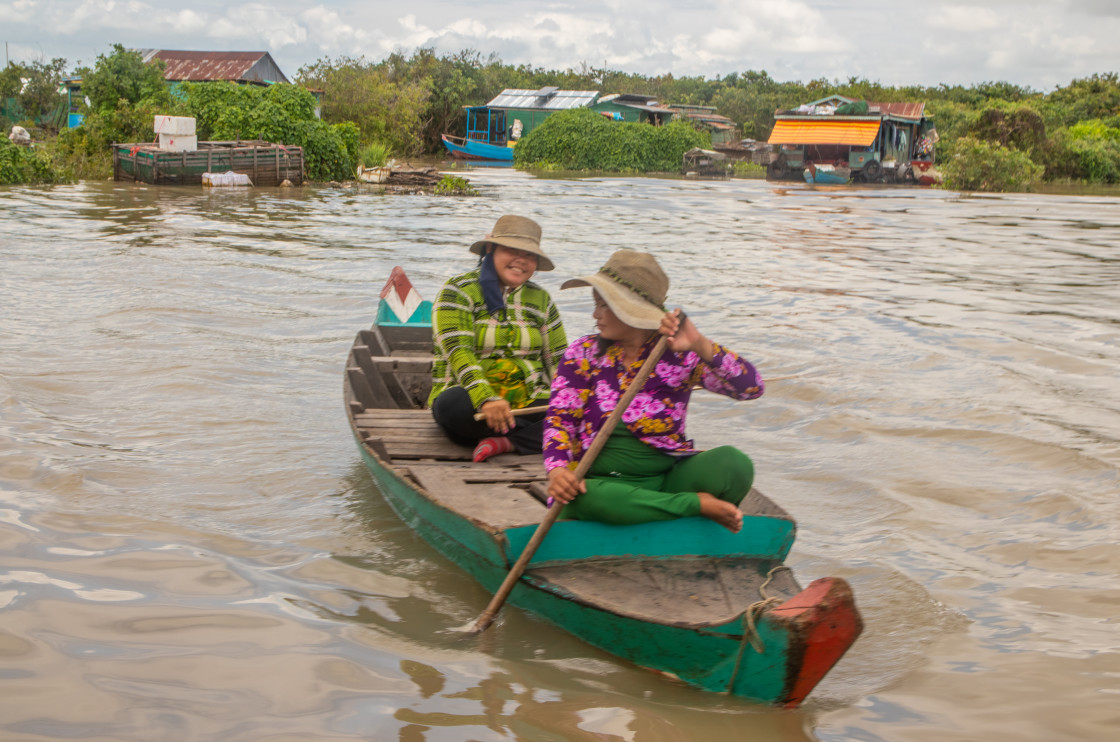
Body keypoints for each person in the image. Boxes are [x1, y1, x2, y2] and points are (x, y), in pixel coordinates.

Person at [542, 250, 763, 533]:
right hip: (597, 482)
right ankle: (693, 507)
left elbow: (751, 388)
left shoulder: (677, 353)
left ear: (629, 309)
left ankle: (654, 509)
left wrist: (699, 343)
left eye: (603, 305)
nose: (595, 314)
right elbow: (559, 420)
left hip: (663, 480)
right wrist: (559, 470)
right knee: (590, 498)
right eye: (595, 304)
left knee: (735, 464)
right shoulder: (583, 353)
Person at [429, 215, 568, 462]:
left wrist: (571, 399)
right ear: (491, 249)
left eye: (530, 255)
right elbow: (458, 351)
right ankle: (542, 436)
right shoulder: (458, 289)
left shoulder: (542, 300)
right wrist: (486, 399)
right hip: (473, 405)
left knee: (587, 408)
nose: (521, 261)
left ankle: (508, 442)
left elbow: (559, 360)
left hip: (530, 401)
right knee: (453, 406)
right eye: (512, 250)